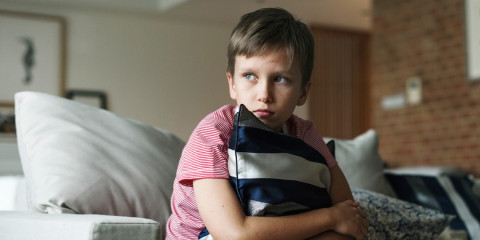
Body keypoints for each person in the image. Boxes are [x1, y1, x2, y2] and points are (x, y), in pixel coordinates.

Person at [166, 8, 368, 240]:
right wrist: (330, 218)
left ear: (303, 92)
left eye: (281, 79)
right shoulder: (213, 133)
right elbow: (235, 234)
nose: (264, 94)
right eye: (250, 76)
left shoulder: (304, 134)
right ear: (232, 84)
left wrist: (339, 221)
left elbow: (348, 213)